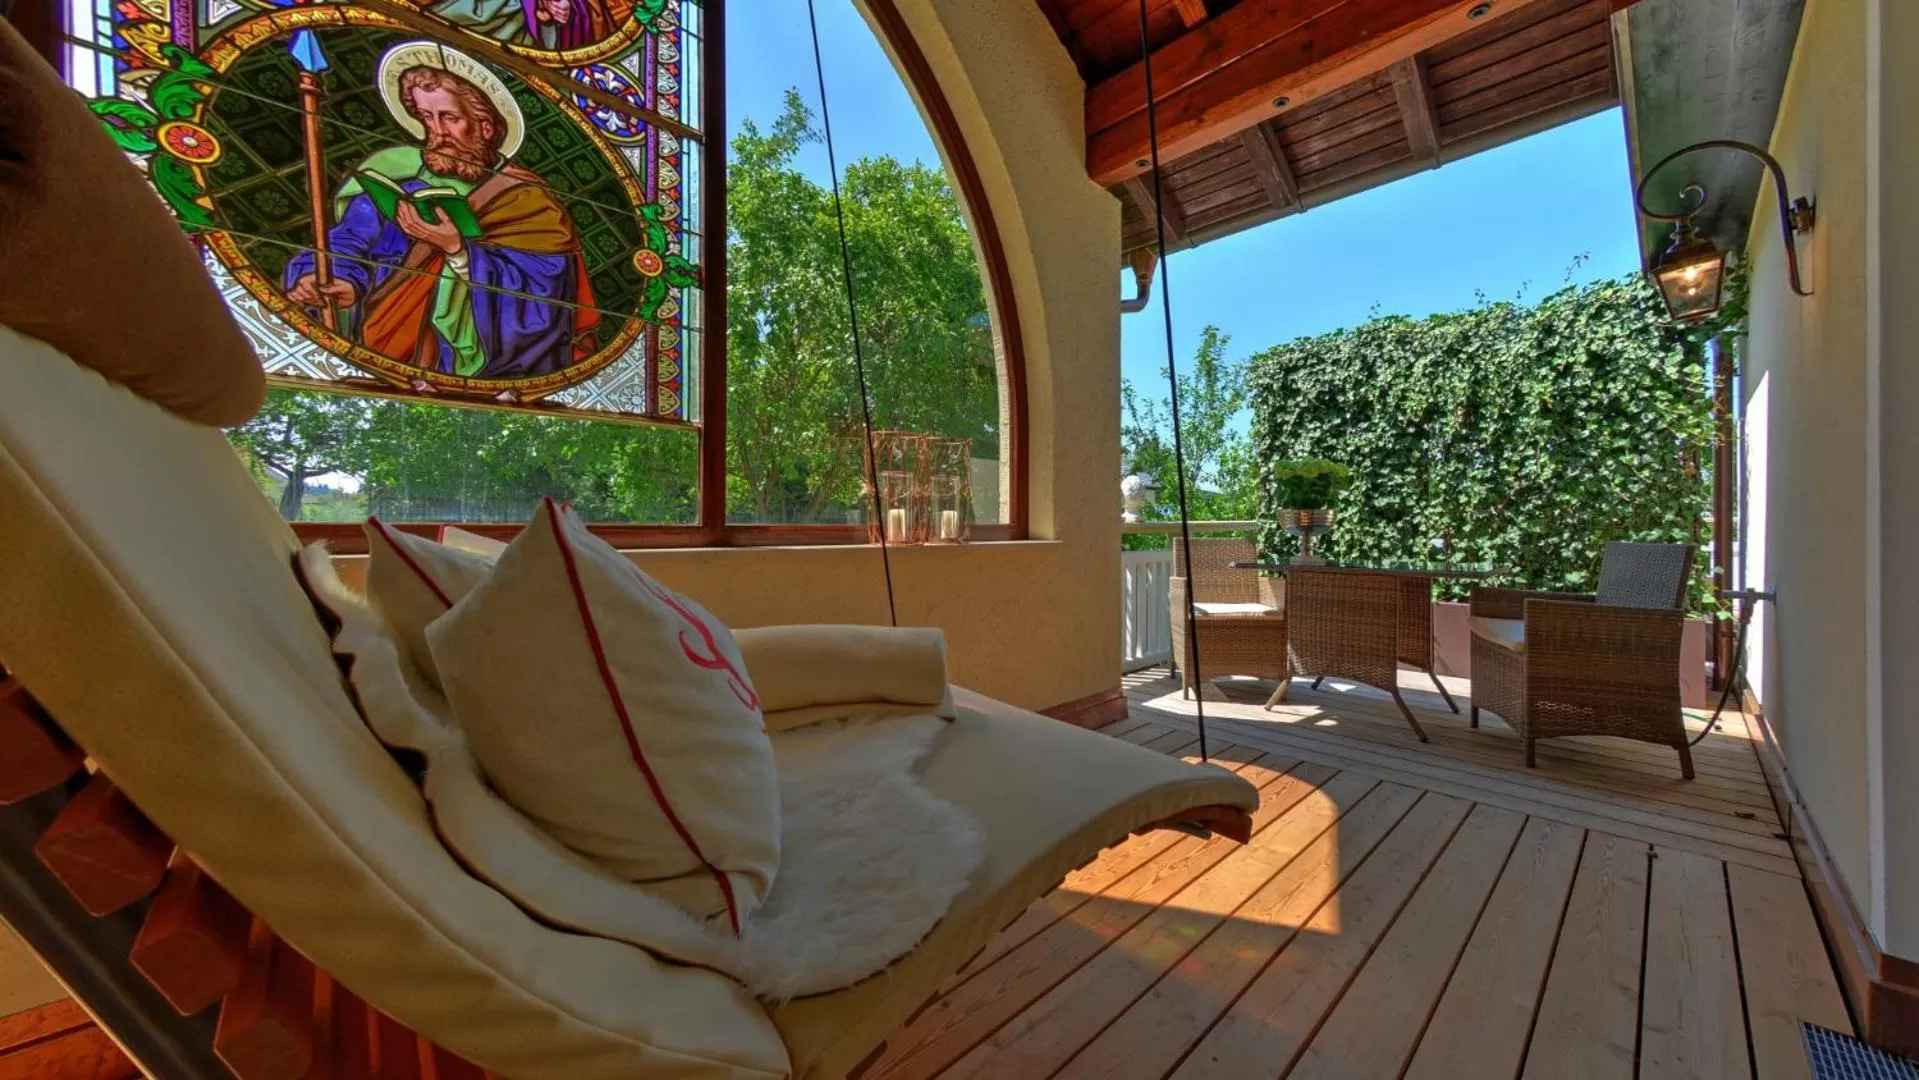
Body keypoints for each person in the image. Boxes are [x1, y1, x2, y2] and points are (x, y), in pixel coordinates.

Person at [285, 46, 598, 382]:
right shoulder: (396, 172)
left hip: (482, 362)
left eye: (450, 118)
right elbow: (349, 239)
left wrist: (458, 252)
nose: (437, 131)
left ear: (486, 127)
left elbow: (547, 298)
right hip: (387, 341)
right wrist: (339, 280)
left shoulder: (527, 199)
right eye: (426, 117)